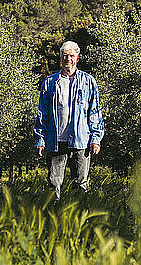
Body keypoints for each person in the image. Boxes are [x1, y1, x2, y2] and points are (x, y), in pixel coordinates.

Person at [33, 41, 104, 200]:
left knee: (80, 185)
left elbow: (94, 111)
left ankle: (78, 220)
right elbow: (42, 114)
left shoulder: (88, 82)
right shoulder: (50, 83)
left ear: (77, 58)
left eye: (72, 56)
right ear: (60, 58)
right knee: (53, 184)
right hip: (56, 140)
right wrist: (40, 139)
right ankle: (52, 218)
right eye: (65, 56)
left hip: (81, 141)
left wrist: (96, 139)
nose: (68, 59)